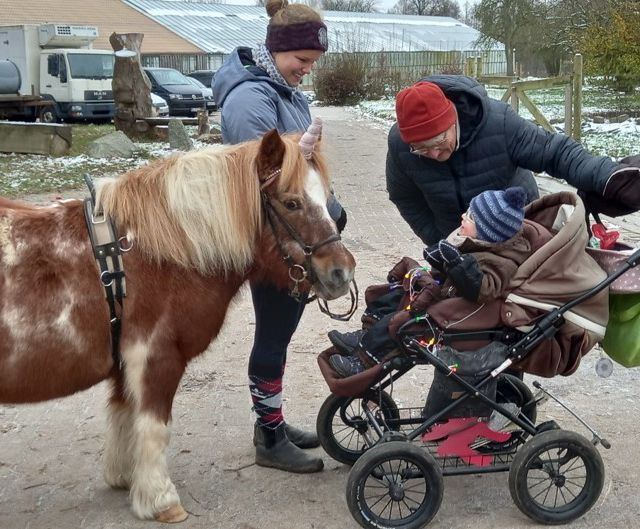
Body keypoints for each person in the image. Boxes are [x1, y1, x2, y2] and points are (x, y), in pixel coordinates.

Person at [212, 0, 345, 473]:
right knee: (273, 336)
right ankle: (269, 438)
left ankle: (271, 421)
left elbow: (298, 173)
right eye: (302, 61)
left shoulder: (281, 88)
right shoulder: (251, 99)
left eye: (313, 63)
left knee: (281, 335)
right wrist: (300, 152)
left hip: (296, 234)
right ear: (277, 49)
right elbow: (262, 175)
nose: (307, 71)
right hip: (274, 242)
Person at [386, 76, 640, 247]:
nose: (433, 154)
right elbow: (404, 196)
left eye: (439, 142)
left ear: (452, 118)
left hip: (519, 235)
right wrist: (438, 238)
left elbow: (556, 152)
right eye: (421, 149)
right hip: (460, 242)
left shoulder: (499, 123)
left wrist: (610, 178)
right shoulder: (400, 144)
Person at [329, 186, 532, 378]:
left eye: (470, 217)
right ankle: (365, 335)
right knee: (397, 294)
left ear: (487, 232)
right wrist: (440, 261)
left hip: (456, 312)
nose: (463, 216)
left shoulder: (502, 262)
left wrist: (456, 263)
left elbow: (484, 289)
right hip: (446, 293)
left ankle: (363, 361)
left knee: (402, 320)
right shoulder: (479, 244)